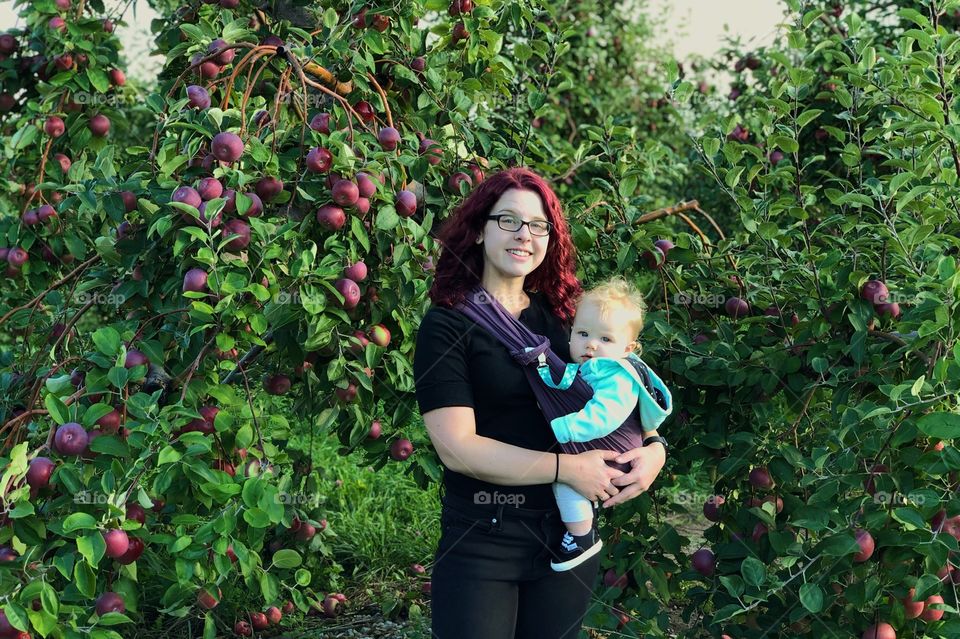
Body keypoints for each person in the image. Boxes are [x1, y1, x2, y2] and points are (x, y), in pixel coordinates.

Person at [413, 167, 669, 639]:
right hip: (483, 539)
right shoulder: (446, 327)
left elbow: (620, 389)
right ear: (479, 229)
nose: (524, 235)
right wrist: (566, 470)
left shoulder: (565, 321)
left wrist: (655, 449)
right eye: (508, 220)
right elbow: (457, 448)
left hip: (566, 536)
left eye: (538, 225)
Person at [543, 277, 673, 572]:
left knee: (566, 483)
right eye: (583, 333)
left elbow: (607, 415)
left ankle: (581, 537)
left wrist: (564, 427)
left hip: (613, 457)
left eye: (605, 339)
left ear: (629, 348)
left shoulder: (616, 373)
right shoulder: (593, 365)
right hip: (603, 453)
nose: (591, 344)